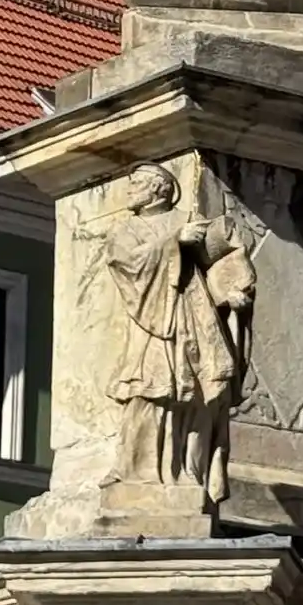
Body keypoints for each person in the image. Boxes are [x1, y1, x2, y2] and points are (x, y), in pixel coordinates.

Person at [104, 165, 253, 503]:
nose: (130, 189)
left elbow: (223, 261)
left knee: (199, 394)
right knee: (148, 390)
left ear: (159, 189)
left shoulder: (189, 217)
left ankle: (189, 472)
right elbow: (124, 262)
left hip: (196, 317)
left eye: (138, 183)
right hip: (154, 322)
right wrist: (175, 240)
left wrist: (233, 291)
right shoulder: (126, 229)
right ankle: (137, 471)